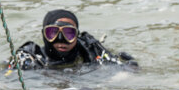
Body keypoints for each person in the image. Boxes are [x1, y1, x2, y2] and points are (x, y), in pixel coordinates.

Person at [8, 9, 137, 70]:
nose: (61, 40)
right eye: (52, 33)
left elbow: (120, 72)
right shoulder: (30, 59)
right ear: (44, 34)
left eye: (68, 33)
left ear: (77, 35)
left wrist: (130, 67)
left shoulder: (91, 52)